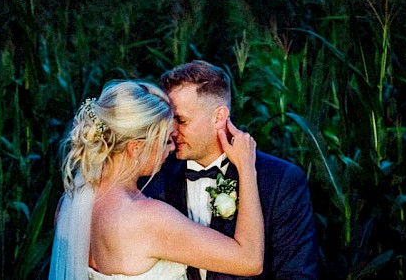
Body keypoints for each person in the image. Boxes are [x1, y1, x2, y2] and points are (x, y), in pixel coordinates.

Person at [48, 80, 265, 280]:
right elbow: (250, 260)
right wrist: (246, 167)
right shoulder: (147, 218)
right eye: (165, 141)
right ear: (136, 148)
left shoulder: (71, 203)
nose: (171, 149)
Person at [143, 60, 320, 280]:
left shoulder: (280, 181)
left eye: (181, 120)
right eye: (170, 120)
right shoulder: (153, 178)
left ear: (218, 117)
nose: (172, 131)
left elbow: (297, 274)